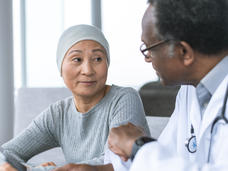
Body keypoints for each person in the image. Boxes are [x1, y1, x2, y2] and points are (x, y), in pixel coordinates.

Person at [0, 24, 150, 171]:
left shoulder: (124, 98)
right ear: (61, 68)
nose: (88, 70)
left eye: (97, 59)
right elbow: (6, 153)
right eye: (77, 59)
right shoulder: (58, 114)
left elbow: (113, 164)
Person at [107, 0, 228, 170]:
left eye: (150, 48)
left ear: (183, 52)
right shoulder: (189, 90)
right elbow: (167, 155)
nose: (147, 58)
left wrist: (138, 146)